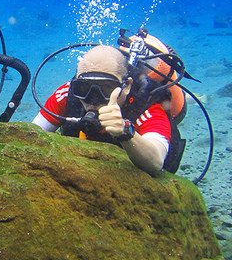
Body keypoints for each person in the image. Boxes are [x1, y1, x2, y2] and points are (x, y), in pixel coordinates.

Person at [32, 45, 170, 175]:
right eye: (84, 89)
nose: (93, 100)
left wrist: (125, 131)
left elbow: (156, 162)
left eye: (106, 89)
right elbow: (32, 135)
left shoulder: (146, 106)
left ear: (127, 86)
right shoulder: (67, 95)